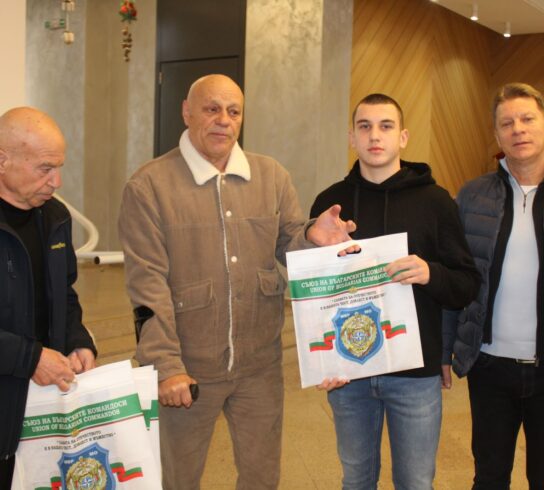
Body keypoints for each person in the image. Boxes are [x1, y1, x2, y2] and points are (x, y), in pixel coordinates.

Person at [118, 74, 357, 490]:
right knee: (176, 479)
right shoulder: (149, 186)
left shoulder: (272, 176)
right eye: (212, 109)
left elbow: (289, 243)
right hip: (187, 368)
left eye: (233, 111)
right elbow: (147, 284)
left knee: (262, 476)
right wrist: (165, 366)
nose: (223, 120)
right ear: (187, 112)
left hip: (259, 366)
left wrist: (311, 237)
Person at [310, 93, 480, 489]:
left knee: (415, 481)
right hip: (349, 372)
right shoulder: (331, 204)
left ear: (402, 137)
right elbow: (314, 293)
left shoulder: (436, 202)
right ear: (351, 137)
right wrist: (321, 362)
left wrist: (430, 273)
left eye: (385, 126)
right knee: (356, 479)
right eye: (365, 126)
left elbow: (466, 284)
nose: (375, 135)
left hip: (414, 374)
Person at [445, 82, 544, 489]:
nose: (518, 129)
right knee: (488, 478)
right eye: (507, 123)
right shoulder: (472, 197)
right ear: (497, 134)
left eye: (527, 119)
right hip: (489, 368)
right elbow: (454, 278)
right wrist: (443, 348)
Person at [0, 107, 97, 488]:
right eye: (45, 168)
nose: (56, 181)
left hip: (40, 410)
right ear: (2, 161)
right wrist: (30, 358)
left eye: (59, 167)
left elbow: (64, 293)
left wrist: (77, 340)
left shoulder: (55, 217)